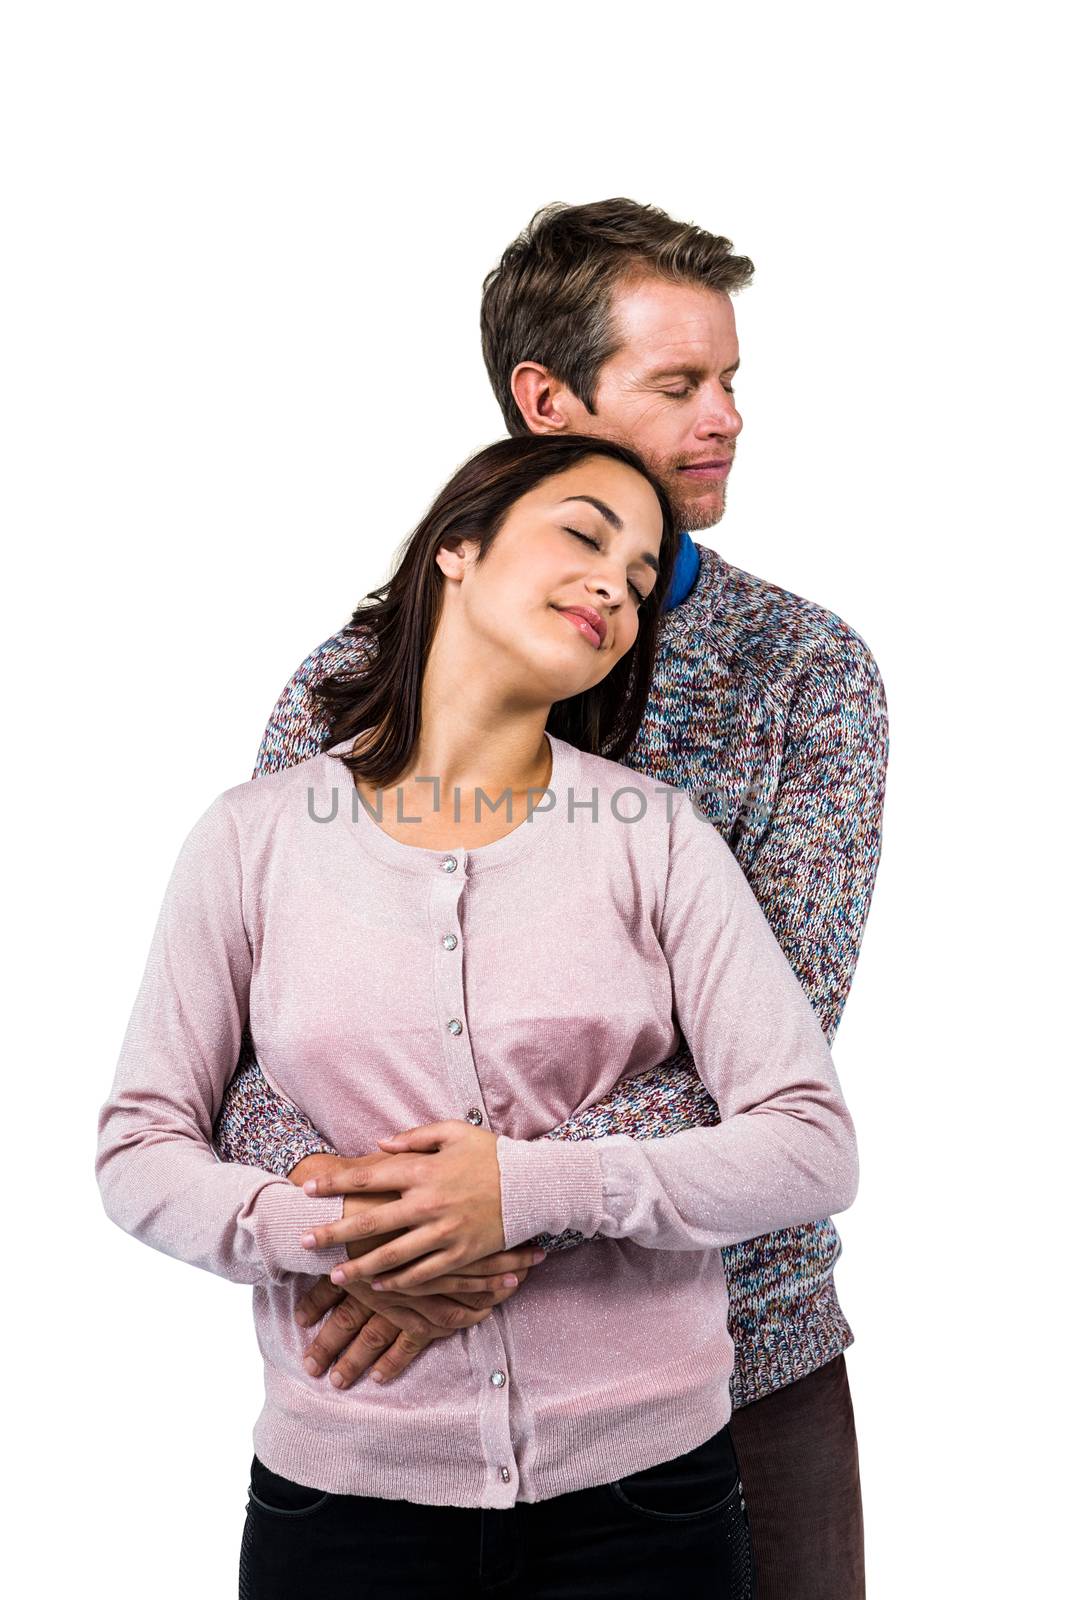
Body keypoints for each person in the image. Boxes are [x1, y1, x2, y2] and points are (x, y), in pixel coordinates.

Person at [213, 200, 888, 1598]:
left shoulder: (801, 675)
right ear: (544, 399)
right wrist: (361, 1226)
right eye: (678, 384)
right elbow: (246, 1047)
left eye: (732, 380)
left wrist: (493, 1202)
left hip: (729, 1366)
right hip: (383, 1370)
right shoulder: (352, 677)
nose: (728, 417)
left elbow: (766, 1063)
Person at [96, 434, 859, 1598]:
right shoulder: (251, 838)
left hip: (650, 1498)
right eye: (583, 535)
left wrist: (529, 1191)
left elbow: (807, 1141)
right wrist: (336, 1237)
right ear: (456, 545)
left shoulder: (656, 836)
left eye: (644, 574)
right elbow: (140, 1145)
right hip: (343, 1500)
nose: (618, 582)